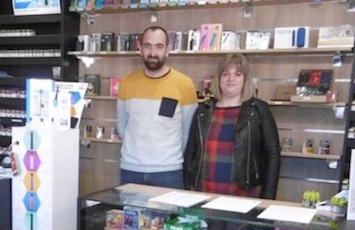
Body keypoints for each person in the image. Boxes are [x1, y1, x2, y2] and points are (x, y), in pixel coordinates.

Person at [183, 53, 280, 199]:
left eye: (237, 74)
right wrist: (188, 186)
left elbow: (272, 155)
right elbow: (191, 153)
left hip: (244, 194)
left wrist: (268, 198)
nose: (231, 79)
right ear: (218, 78)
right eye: (225, 74)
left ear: (245, 79)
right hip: (203, 191)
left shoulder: (258, 111)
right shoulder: (203, 111)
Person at [117, 26, 198, 189]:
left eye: (159, 46)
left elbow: (188, 132)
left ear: (168, 50)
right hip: (131, 170)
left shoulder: (185, 84)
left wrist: (167, 158)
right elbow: (122, 125)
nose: (153, 53)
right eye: (147, 46)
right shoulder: (127, 82)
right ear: (140, 49)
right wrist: (138, 153)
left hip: (169, 172)